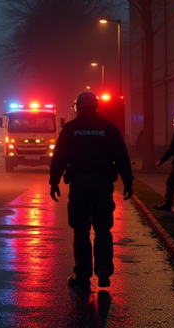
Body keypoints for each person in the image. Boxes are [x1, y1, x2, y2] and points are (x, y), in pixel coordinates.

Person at [49, 91, 134, 290]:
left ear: (77, 106)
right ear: (96, 106)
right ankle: (103, 271)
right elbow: (122, 156)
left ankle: (83, 276)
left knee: (81, 231)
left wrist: (54, 182)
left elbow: (59, 157)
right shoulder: (108, 128)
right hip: (103, 186)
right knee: (103, 229)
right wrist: (128, 182)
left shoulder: (70, 129)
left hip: (79, 187)